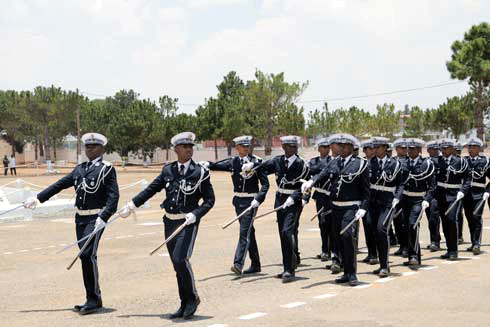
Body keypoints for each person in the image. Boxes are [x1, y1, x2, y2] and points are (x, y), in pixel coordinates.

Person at [120, 132, 215, 320]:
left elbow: (210, 200)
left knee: (181, 259)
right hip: (170, 221)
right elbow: (151, 189)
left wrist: (195, 214)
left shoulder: (200, 172)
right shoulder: (168, 170)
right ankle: (183, 303)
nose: (189, 150)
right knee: (176, 264)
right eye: (185, 147)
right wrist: (131, 205)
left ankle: (192, 299)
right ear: (176, 149)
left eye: (191, 147)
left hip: (187, 222)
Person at [23, 132, 119, 315]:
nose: (90, 149)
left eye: (94, 146)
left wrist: (103, 217)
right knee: (85, 255)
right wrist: (37, 199)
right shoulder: (79, 169)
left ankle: (93, 299)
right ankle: (93, 298)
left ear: (102, 149)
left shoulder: (106, 169)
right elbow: (59, 185)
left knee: (87, 254)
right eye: (87, 147)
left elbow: (113, 197)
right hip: (80, 218)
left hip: (95, 218)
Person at [304, 134, 370, 286]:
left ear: (352, 148)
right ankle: (345, 273)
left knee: (348, 237)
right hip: (335, 207)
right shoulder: (335, 162)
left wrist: (363, 208)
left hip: (351, 207)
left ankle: (352, 274)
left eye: (345, 146)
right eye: (340, 146)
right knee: (338, 240)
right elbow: (323, 174)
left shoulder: (360, 164)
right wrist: (311, 182)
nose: (341, 148)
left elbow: (366, 190)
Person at [202, 135, 269, 275]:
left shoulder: (257, 162)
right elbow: (218, 165)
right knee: (249, 231)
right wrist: (206, 164)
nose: (245, 149)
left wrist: (258, 199)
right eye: (242, 146)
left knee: (244, 231)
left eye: (247, 146)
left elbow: (265, 185)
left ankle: (238, 264)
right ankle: (256, 264)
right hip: (238, 202)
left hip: (252, 201)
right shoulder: (234, 162)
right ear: (237, 147)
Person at [246, 135, 309, 283]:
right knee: (283, 234)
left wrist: (294, 197)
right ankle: (288, 265)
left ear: (296, 148)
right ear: (283, 147)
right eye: (286, 146)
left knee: (287, 232)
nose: (289, 149)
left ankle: (290, 269)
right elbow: (262, 167)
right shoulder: (278, 161)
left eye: (292, 147)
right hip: (280, 201)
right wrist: (251, 166)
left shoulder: (302, 164)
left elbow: (305, 186)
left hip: (293, 202)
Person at [368, 137, 406, 277]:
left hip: (388, 202)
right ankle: (382, 264)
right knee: (375, 232)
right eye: (374, 147)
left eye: (378, 147)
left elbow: (401, 184)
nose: (375, 150)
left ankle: (385, 265)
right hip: (373, 202)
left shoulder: (394, 164)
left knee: (381, 229)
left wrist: (397, 197)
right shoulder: (369, 164)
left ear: (385, 148)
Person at [400, 138, 436, 266]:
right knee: (406, 227)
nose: (410, 151)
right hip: (405, 200)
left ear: (419, 150)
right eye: (409, 149)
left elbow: (432, 185)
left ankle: (414, 256)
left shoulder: (426, 164)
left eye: (414, 149)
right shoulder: (402, 163)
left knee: (412, 224)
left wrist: (427, 199)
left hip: (418, 200)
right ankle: (413, 255)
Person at [435, 139, 470, 260]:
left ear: (452, 149)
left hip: (454, 195)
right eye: (442, 149)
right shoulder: (437, 162)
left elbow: (467, 179)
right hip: (441, 195)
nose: (444, 151)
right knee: (444, 222)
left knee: (451, 220)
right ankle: (449, 249)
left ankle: (454, 250)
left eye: (446, 148)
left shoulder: (460, 161)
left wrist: (462, 191)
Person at [307, 137, 333, 261]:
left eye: (327, 147)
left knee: (330, 223)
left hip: (330, 196)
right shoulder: (313, 161)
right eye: (323, 147)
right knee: (322, 223)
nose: (326, 149)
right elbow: (310, 172)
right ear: (318, 149)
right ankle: (325, 250)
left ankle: (331, 250)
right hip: (320, 196)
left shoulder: (332, 161)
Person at [463, 137, 489, 255]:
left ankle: (477, 244)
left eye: (474, 147)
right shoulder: (463, 161)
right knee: (469, 218)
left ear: (479, 149)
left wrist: (488, 191)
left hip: (479, 193)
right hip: (466, 194)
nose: (471, 149)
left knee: (477, 217)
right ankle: (474, 242)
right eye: (470, 147)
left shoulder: (485, 161)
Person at [392, 138, 409, 257]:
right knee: (397, 222)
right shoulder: (392, 161)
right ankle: (401, 245)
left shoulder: (409, 161)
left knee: (405, 222)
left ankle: (407, 246)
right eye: (402, 148)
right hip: (395, 195)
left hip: (406, 195)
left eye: (405, 148)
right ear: (396, 149)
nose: (404, 150)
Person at [425, 140, 442, 251]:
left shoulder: (442, 161)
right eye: (433, 149)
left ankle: (435, 241)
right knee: (429, 218)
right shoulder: (425, 162)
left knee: (433, 218)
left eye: (437, 149)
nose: (435, 151)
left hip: (438, 194)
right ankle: (436, 238)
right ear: (428, 150)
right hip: (427, 194)